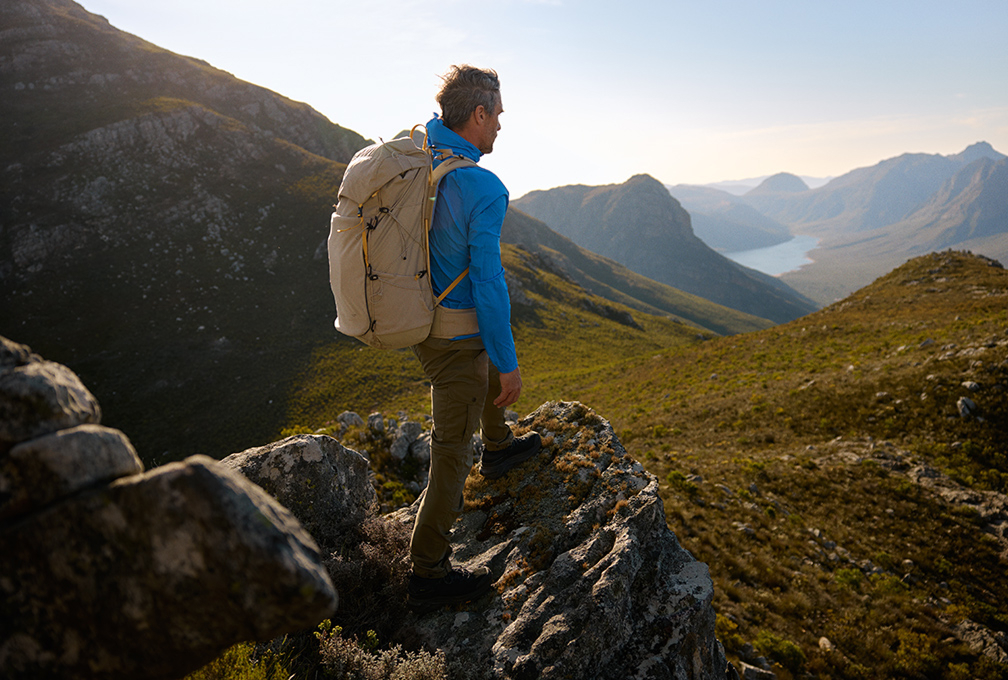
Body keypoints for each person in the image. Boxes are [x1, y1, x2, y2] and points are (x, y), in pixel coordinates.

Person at [406, 65, 541, 613]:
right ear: (478, 113)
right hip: (454, 336)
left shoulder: (418, 155)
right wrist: (510, 364)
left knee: (477, 363)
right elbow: (486, 281)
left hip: (422, 319)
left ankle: (501, 445)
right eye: (498, 116)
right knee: (451, 452)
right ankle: (428, 571)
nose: (501, 127)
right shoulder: (482, 185)